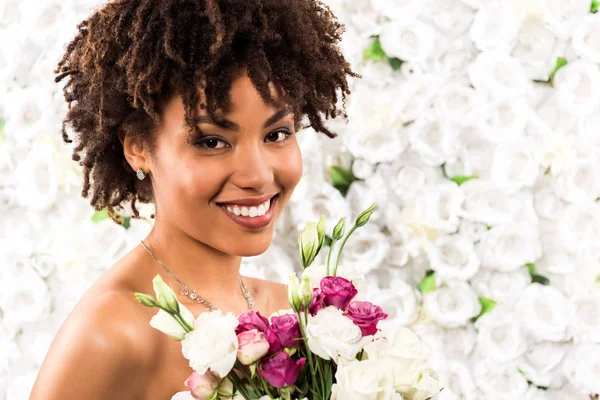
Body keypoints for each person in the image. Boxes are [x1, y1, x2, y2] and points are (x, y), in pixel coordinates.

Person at [30, 0, 357, 399]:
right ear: (137, 149)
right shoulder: (113, 332)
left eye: (276, 135)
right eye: (212, 141)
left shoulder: (295, 319)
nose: (257, 176)